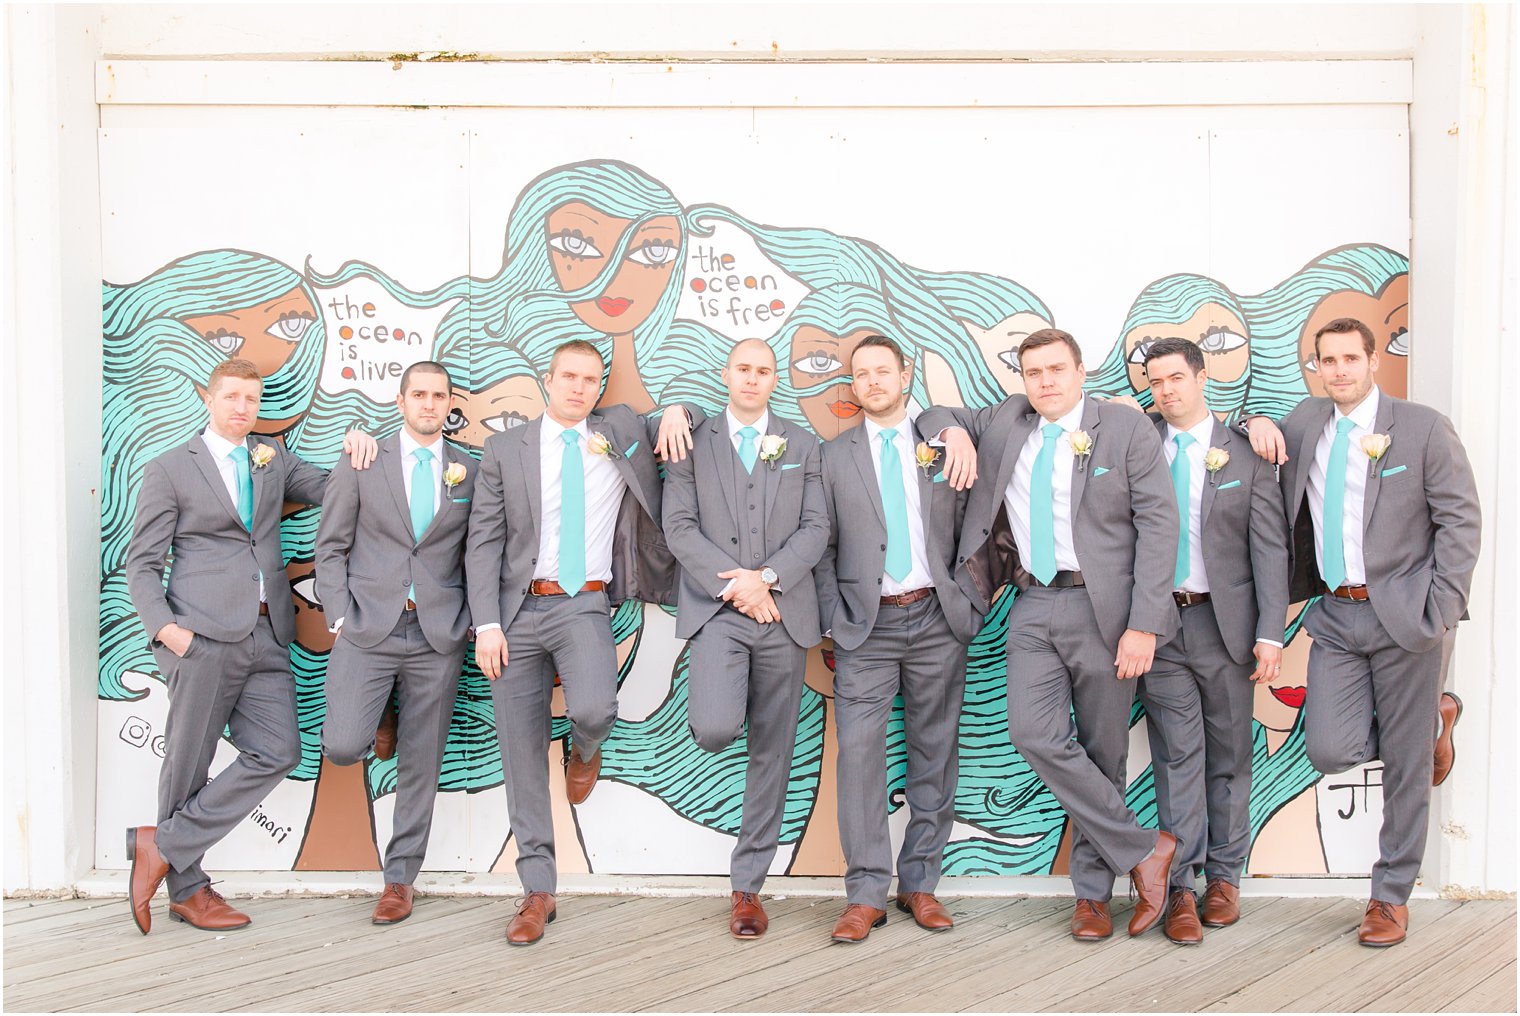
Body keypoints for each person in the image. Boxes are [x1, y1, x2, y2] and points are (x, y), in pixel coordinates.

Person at [919, 327, 1180, 942]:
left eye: (1056, 370)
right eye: (1033, 373)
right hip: (1033, 604)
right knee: (1034, 734)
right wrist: (952, 431)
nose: (1046, 383)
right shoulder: (1007, 422)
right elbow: (932, 411)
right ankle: (1145, 849)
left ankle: (1092, 896)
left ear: (1081, 370)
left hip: (1106, 610)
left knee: (1103, 752)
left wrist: (1143, 623)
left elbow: (1160, 526)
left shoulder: (1125, 428)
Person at [1240, 317, 1479, 946]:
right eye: (1328, 360)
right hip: (1337, 615)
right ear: (1315, 367)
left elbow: (1460, 521)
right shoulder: (1305, 422)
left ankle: (1389, 897)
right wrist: (1251, 425)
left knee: (1403, 767)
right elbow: (1254, 445)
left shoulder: (1422, 426)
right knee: (1329, 748)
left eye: (1352, 357)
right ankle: (1431, 723)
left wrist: (1442, 607)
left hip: (1408, 616)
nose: (1340, 369)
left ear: (1373, 360)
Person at [123, 358, 376, 933]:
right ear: (209, 400)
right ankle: (188, 890)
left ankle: (160, 844)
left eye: (251, 400)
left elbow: (335, 487)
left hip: (268, 633)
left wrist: (359, 446)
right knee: (188, 764)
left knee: (279, 750)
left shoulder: (271, 459)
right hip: (202, 635)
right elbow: (141, 563)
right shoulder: (170, 469)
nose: (243, 408)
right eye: (232, 397)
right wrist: (168, 630)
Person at [466, 339, 692, 945]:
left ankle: (584, 751)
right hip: (515, 612)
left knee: (595, 707)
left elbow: (687, 421)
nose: (578, 387)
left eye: (590, 379)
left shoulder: (618, 428)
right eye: (568, 376)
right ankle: (538, 890)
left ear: (600, 387)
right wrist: (485, 622)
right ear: (548, 379)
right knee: (520, 749)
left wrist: (678, 412)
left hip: (584, 601)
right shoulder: (504, 448)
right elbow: (483, 541)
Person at [813, 335, 982, 942]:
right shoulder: (832, 457)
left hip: (938, 617)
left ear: (905, 373)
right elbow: (822, 544)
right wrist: (836, 618)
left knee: (934, 748)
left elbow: (979, 520)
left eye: (883, 370)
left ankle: (921, 883)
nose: (873, 381)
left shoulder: (943, 437)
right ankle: (865, 893)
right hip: (868, 626)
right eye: (862, 374)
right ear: (852, 386)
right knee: (860, 754)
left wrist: (970, 595)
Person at [661, 337, 828, 940]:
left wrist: (771, 580)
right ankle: (746, 879)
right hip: (719, 613)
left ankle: (748, 888)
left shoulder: (803, 443)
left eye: (763, 371)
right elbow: (677, 527)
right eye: (744, 369)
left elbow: (817, 527)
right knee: (715, 727)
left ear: (775, 378)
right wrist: (742, 588)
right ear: (726, 374)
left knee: (773, 752)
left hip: (784, 614)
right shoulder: (691, 440)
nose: (752, 379)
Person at [1134, 338, 1291, 943]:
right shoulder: (1137, 442)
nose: (1166, 390)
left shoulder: (1246, 451)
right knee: (1176, 757)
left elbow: (1270, 549)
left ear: (1202, 378)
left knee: (1229, 755)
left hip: (1225, 625)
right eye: (1156, 380)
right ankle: (1181, 886)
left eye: (1177, 377)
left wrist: (1270, 633)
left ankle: (1224, 878)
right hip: (1159, 626)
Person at [314, 361, 477, 925]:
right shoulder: (364, 459)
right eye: (419, 395)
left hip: (437, 633)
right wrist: (338, 614)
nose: (429, 404)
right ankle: (380, 706)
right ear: (401, 400)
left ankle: (400, 878)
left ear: (450, 403)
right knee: (341, 743)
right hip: (367, 627)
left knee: (422, 761)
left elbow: (477, 553)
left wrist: (474, 621)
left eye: (439, 396)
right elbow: (329, 545)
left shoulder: (469, 471)